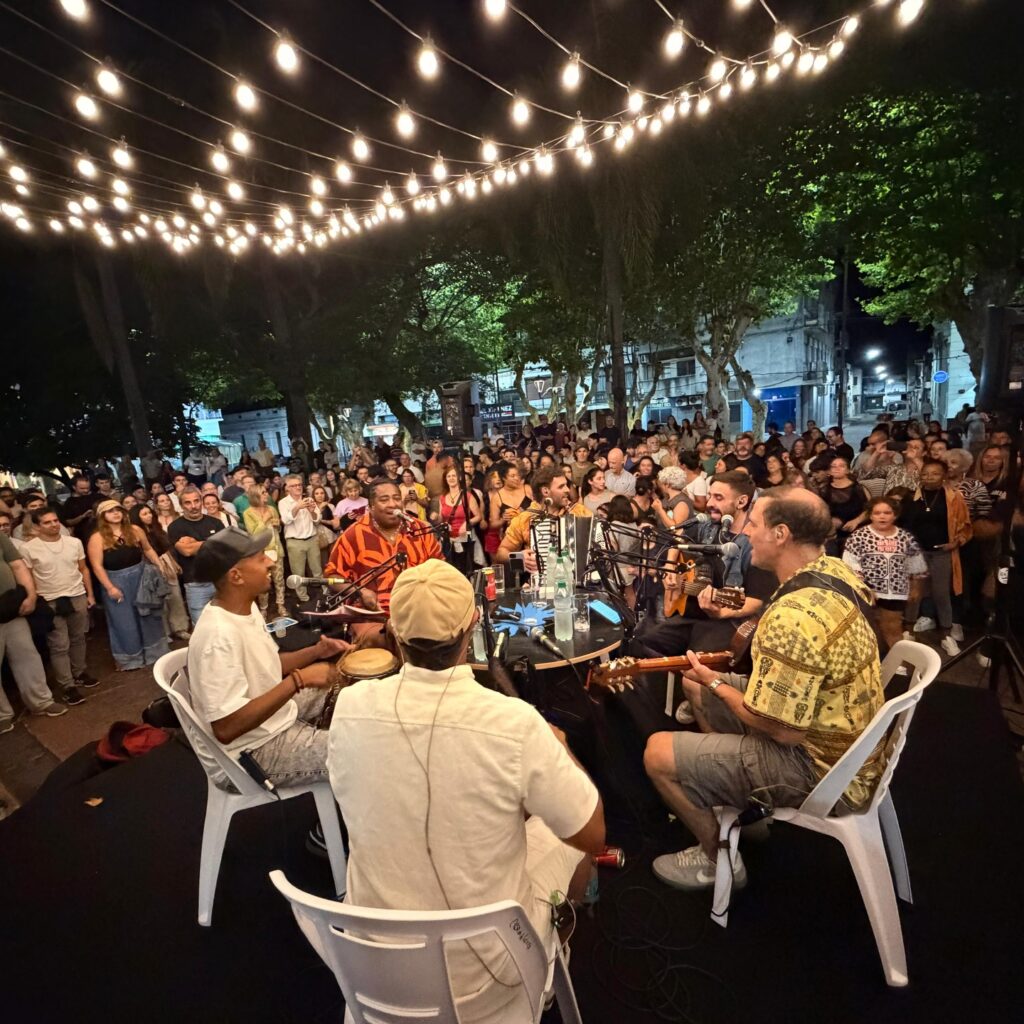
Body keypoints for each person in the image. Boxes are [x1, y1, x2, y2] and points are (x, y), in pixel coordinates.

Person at [327, 559, 604, 1022]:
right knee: (568, 839)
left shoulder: (351, 704)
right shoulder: (515, 723)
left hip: (376, 969)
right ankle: (552, 952)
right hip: (487, 983)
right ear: (473, 624)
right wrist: (560, 746)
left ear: (393, 632)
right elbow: (592, 833)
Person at [643, 487, 884, 891]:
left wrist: (717, 682)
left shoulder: (792, 617)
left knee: (657, 753)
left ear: (781, 534)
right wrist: (710, 684)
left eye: (754, 524)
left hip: (824, 770)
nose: (746, 534)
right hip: (850, 743)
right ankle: (737, 797)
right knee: (694, 686)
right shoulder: (834, 570)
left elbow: (783, 731)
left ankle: (718, 859)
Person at [187, 528, 350, 789]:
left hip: (270, 721)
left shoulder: (244, 607)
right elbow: (226, 728)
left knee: (353, 691)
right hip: (249, 753)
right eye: (260, 557)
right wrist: (299, 680)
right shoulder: (218, 636)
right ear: (236, 576)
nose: (271, 562)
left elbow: (268, 666)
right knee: (361, 749)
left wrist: (316, 652)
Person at [324, 480, 443, 628]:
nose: (393, 504)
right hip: (372, 615)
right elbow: (332, 576)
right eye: (384, 500)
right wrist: (359, 592)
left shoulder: (420, 529)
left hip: (418, 610)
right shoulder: (353, 534)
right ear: (371, 506)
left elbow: (440, 568)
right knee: (376, 636)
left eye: (397, 498)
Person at [21, 508, 98, 705]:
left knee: (79, 637)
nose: (54, 525)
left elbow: (83, 569)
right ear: (37, 526)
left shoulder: (74, 542)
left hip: (76, 595)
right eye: (47, 522)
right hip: (50, 601)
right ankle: (67, 686)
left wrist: (89, 594)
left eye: (55, 520)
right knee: (59, 645)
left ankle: (80, 672)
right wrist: (36, 600)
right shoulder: (28, 549)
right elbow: (28, 577)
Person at [86, 500, 169, 671]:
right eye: (110, 511)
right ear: (102, 516)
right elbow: (97, 566)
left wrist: (159, 565)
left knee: (148, 615)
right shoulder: (97, 538)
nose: (116, 513)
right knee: (124, 622)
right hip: (116, 581)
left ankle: (155, 654)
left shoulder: (135, 530)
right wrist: (110, 587)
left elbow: (147, 549)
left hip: (140, 577)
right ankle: (130, 660)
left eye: (118, 510)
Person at [843, 497, 927, 663]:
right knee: (868, 629)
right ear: (870, 515)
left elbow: (916, 564)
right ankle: (872, 663)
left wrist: (916, 587)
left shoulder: (905, 537)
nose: (882, 516)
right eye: (877, 513)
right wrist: (863, 587)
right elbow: (849, 564)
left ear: (895, 515)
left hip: (895, 592)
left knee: (892, 628)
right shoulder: (859, 536)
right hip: (866, 591)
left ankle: (897, 664)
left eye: (887, 513)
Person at [0, 527, 68, 729]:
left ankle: (41, 702)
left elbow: (17, 565)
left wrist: (31, 595)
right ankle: (2, 715)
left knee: (27, 657)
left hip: (11, 607)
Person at [903, 459, 972, 655]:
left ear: (943, 476)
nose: (929, 477)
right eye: (925, 474)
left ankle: (946, 636)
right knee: (914, 593)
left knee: (941, 594)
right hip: (917, 553)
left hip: (942, 553)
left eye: (934, 474)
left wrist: (955, 543)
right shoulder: (912, 497)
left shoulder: (954, 497)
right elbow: (904, 524)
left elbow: (966, 526)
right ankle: (908, 632)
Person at [495, 466, 592, 580]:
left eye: (566, 485)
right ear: (545, 491)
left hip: (578, 582)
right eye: (561, 486)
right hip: (542, 584)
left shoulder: (579, 511)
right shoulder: (525, 519)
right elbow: (501, 553)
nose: (567, 490)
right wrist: (519, 557)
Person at [130, 505, 190, 640]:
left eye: (149, 513)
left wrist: (174, 563)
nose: (149, 516)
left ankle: (180, 628)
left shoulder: (156, 528)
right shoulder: (135, 533)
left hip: (166, 561)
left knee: (175, 596)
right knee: (160, 600)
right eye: (144, 514)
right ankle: (164, 632)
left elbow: (165, 547)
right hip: (149, 566)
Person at [167, 486, 225, 626]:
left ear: (201, 502)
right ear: (181, 506)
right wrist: (212, 541)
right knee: (201, 627)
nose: (193, 506)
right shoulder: (175, 527)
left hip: (220, 581)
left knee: (225, 623)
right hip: (195, 584)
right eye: (188, 502)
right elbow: (186, 551)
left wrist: (194, 543)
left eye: (196, 501)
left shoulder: (216, 523)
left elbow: (223, 548)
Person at [241, 485, 287, 620]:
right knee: (262, 582)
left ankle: (281, 605)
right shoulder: (248, 513)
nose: (267, 494)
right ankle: (263, 608)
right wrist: (265, 519)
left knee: (279, 580)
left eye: (266, 492)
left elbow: (278, 529)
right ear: (255, 496)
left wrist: (277, 524)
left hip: (276, 550)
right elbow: (253, 534)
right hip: (260, 554)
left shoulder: (272, 508)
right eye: (263, 492)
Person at [278, 475, 323, 603]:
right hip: (295, 542)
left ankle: (323, 594)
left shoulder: (309, 499)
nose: (298, 487)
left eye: (299, 485)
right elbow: (286, 520)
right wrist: (297, 507)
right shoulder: (283, 503)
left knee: (317, 570)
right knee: (298, 573)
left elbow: (317, 520)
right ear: (288, 488)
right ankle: (304, 599)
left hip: (312, 539)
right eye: (294, 485)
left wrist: (312, 511)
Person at [430, 467, 482, 577]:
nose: (451, 478)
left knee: (465, 569)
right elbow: (442, 519)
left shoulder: (467, 496)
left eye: (454, 475)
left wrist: (467, 523)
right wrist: (436, 517)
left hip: (465, 539)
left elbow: (478, 516)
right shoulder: (442, 497)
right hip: (448, 540)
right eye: (448, 476)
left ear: (459, 478)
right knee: (450, 570)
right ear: (445, 479)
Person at [822, 456, 869, 555]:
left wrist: (857, 520)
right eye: (834, 466)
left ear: (848, 470)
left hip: (856, 532)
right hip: (832, 534)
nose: (837, 468)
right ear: (829, 471)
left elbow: (870, 509)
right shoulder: (824, 490)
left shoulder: (859, 488)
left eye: (841, 466)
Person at [59, 474, 99, 542]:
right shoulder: (70, 503)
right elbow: (68, 522)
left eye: (88, 488)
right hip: (83, 537)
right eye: (82, 488)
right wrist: (83, 516)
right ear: (74, 487)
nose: (86, 490)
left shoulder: (98, 497)